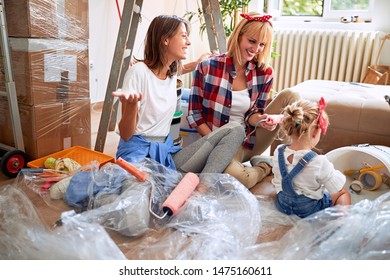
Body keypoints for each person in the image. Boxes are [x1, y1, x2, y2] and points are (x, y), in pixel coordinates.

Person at [114, 15, 245, 174]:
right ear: (165, 39)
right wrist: (132, 106)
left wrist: (197, 63)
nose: (188, 42)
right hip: (138, 157)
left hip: (166, 155)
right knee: (143, 193)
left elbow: (175, 71)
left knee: (235, 130)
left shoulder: (170, 72)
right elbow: (126, 135)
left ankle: (204, 184)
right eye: (183, 36)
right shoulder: (137, 73)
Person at [187, 12, 299, 189]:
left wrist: (262, 120)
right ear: (239, 36)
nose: (256, 49)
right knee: (238, 178)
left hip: (249, 140)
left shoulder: (264, 73)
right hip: (220, 143)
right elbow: (194, 113)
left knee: (292, 96)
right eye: (252, 41)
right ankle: (267, 165)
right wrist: (214, 141)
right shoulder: (208, 67)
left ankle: (285, 155)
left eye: (262, 44)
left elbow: (253, 113)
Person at [272, 98, 351, 218]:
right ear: (315, 132)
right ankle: (341, 221)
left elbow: (277, 181)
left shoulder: (278, 151)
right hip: (308, 210)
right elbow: (336, 187)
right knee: (343, 193)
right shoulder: (319, 162)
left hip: (283, 205)